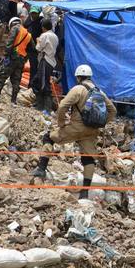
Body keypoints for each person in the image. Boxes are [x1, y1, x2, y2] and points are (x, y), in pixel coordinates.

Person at [31, 64, 116, 198]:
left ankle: (41, 169)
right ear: (90, 76)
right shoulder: (99, 91)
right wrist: (101, 123)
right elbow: (113, 111)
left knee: (48, 138)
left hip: (76, 128)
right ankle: (84, 193)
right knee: (88, 159)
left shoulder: (78, 89)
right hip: (92, 131)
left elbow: (63, 105)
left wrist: (61, 123)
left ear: (78, 77)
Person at [33, 20, 59, 110]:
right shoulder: (55, 36)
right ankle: (40, 104)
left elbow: (38, 48)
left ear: (43, 27)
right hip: (51, 61)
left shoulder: (44, 35)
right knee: (39, 81)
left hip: (45, 60)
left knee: (43, 84)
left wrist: (37, 41)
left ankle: (45, 107)